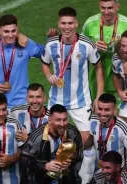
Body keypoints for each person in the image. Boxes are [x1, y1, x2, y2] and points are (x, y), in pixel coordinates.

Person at [41, 7, 103, 144]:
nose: (67, 27)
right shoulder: (51, 44)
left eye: (70, 23)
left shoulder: (87, 44)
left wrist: (98, 96)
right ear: (59, 24)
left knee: (87, 141)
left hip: (81, 101)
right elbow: (44, 63)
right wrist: (48, 75)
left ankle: (73, 162)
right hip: (57, 100)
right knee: (48, 138)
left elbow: (98, 68)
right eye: (64, 23)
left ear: (76, 23)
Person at [0, 14, 45, 108]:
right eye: (6, 31)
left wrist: (51, 40)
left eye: (13, 31)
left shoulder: (25, 43)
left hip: (21, 103)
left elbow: (46, 53)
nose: (10, 35)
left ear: (17, 30)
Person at [81, 0, 127, 99]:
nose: (106, 12)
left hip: (121, 77)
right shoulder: (90, 23)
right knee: (99, 112)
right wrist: (92, 46)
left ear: (117, 7)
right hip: (95, 77)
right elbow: (80, 48)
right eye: (103, 8)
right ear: (99, 6)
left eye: (110, 8)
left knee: (118, 112)